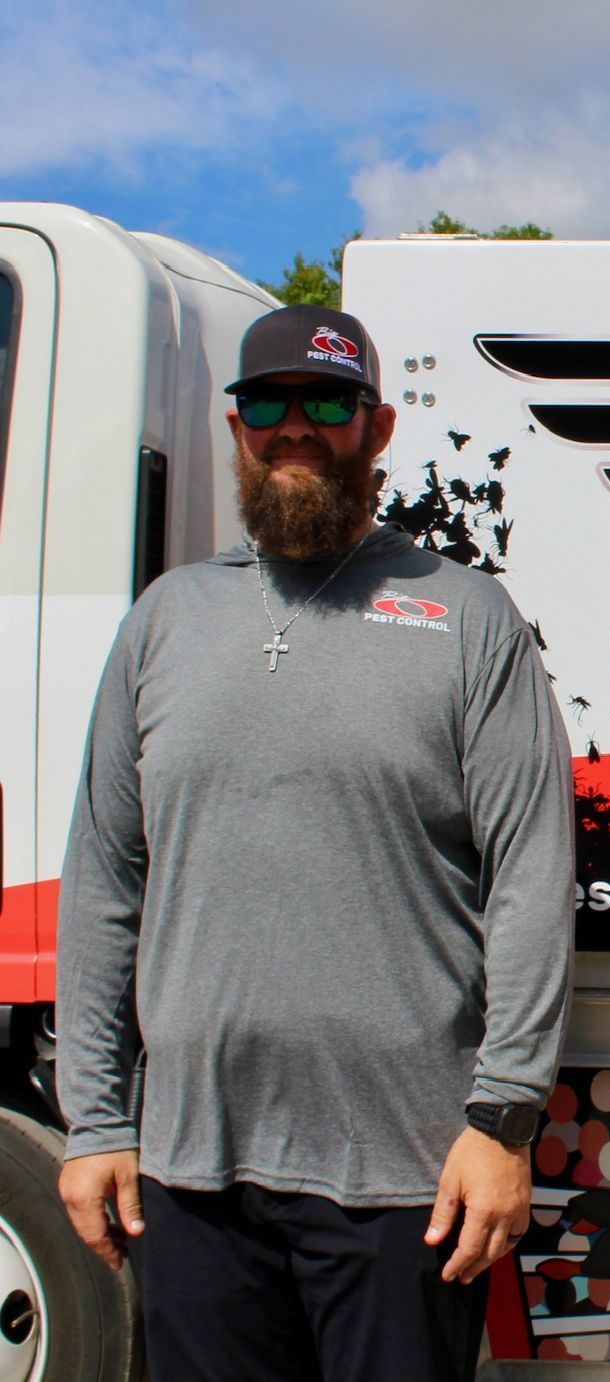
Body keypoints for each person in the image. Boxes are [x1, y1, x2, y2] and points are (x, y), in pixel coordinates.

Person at [55, 304, 576, 1380]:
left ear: (376, 428)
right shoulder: (165, 620)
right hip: (192, 1177)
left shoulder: (466, 616)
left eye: (328, 403)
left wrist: (503, 1117)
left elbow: (532, 878)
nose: (296, 426)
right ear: (238, 428)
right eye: (268, 405)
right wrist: (96, 1120)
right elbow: (108, 879)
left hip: (411, 1181)